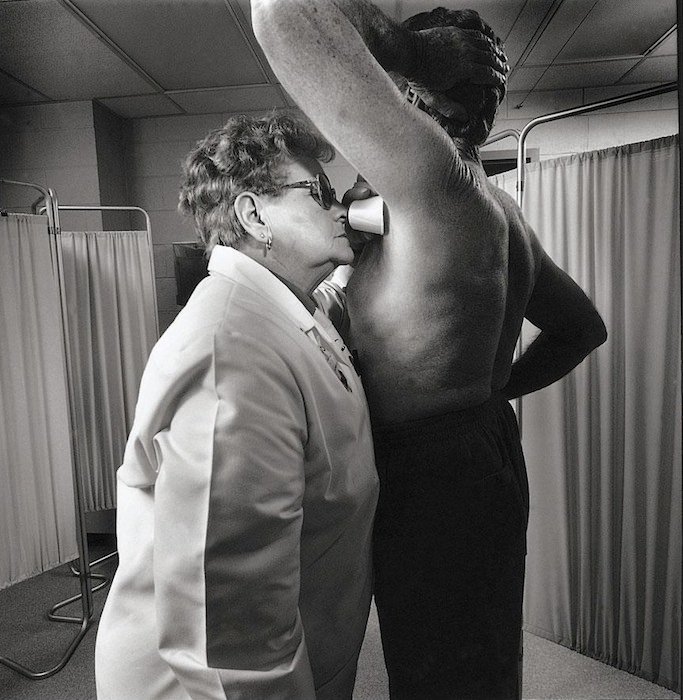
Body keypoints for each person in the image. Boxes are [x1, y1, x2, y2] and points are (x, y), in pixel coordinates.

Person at [252, 3, 608, 698]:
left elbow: (282, 11)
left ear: (414, 97)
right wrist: (490, 390)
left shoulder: (430, 174)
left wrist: (409, 50)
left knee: (436, 670)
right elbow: (581, 328)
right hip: (480, 445)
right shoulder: (498, 210)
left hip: (432, 468)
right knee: (480, 657)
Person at [94, 113, 379, 700]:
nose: (339, 208)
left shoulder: (285, 306)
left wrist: (355, 255)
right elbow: (231, 636)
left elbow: (323, 310)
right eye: (318, 192)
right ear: (253, 216)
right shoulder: (233, 356)